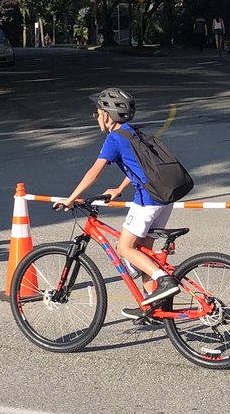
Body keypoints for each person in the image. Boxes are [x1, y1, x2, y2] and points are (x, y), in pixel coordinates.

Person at [55, 87, 180, 320]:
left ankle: (164, 280)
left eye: (97, 112)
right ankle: (152, 309)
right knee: (143, 251)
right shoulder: (132, 133)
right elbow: (142, 166)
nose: (96, 117)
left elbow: (94, 173)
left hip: (147, 199)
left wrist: (71, 199)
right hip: (164, 198)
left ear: (106, 114)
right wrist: (120, 189)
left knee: (124, 248)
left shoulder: (113, 139)